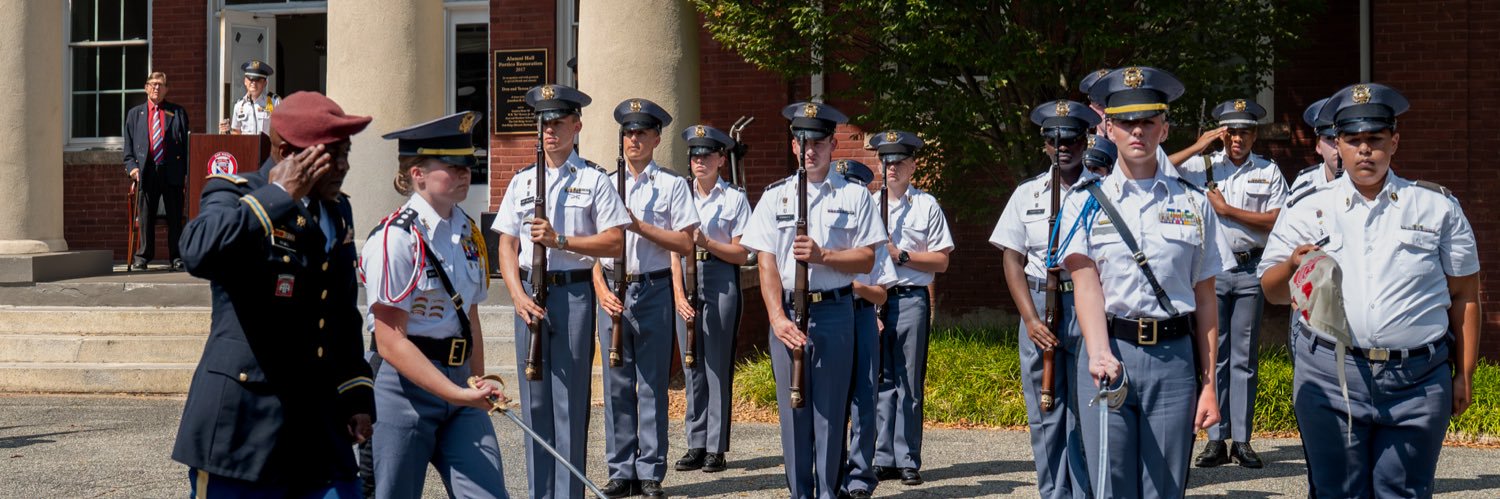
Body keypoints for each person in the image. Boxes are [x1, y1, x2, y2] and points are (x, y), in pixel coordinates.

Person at [1259, 83, 1480, 497]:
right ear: (1335, 144)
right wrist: (1291, 266)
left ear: (1394, 142)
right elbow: (1271, 291)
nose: (1365, 150)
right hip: (1330, 376)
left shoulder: (1436, 207)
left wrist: (1464, 375)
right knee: (1336, 491)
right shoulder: (1307, 206)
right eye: (1353, 139)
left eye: (1375, 139)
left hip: (1417, 380)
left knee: (1404, 492)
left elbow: (1465, 295)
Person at [172, 91, 373, 498]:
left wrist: (355, 393)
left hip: (317, 427)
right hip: (245, 425)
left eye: (346, 153)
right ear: (285, 152)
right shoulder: (233, 192)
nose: (344, 166)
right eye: (331, 155)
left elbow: (338, 311)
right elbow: (196, 251)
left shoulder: (337, 211)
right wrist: (278, 195)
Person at [1059, 66, 1231, 498]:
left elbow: (1206, 298)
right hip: (1109, 353)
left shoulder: (1194, 203)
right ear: (1108, 128)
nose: (1138, 130)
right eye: (1126, 122)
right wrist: (1098, 352)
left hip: (1174, 362)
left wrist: (1209, 384)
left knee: (1165, 487)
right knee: (1110, 486)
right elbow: (1085, 283)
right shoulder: (1085, 203)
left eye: (1148, 121)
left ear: (1164, 127)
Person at [361, 111, 510, 498]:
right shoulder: (395, 238)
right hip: (402, 389)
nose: (464, 172)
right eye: (452, 164)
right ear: (417, 173)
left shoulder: (469, 231)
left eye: (469, 163)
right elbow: (390, 341)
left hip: (460, 382)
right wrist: (457, 393)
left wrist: (475, 380)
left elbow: (471, 316)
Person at [490, 84, 629, 499]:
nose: (550, 131)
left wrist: (562, 240)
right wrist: (515, 295)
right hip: (529, 294)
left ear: (577, 126)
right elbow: (506, 245)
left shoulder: (593, 179)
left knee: (570, 404)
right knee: (534, 405)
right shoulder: (521, 181)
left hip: (572, 296)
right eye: (544, 124)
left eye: (558, 123)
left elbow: (615, 243)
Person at [739, 101, 883, 499]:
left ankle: (827, 492)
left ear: (833, 144)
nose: (810, 150)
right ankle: (800, 492)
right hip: (786, 313)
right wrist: (775, 317)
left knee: (831, 414)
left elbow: (868, 257)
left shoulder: (855, 197)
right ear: (793, 146)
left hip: (834, 310)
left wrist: (825, 257)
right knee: (793, 413)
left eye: (818, 142)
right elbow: (766, 263)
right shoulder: (775, 197)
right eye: (803, 142)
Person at [1171, 99, 1288, 469]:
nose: (1238, 139)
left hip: (1251, 270)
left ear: (1255, 135)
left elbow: (1277, 221)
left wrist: (1228, 211)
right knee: (1213, 357)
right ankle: (1215, 439)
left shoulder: (1268, 171)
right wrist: (1199, 144)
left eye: (1245, 132)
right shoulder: (1202, 166)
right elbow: (1156, 167)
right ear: (1223, 134)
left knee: (1244, 359)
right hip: (1211, 275)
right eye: (1231, 132)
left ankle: (1242, 440)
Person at [991, 99, 1100, 499]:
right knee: (1045, 408)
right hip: (1038, 305)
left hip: (1089, 307)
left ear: (1086, 141)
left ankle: (1087, 491)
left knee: (1089, 407)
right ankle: (1054, 492)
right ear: (1044, 145)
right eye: (1055, 141)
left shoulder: (1103, 191)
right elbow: (1012, 258)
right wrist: (1030, 318)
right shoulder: (1026, 194)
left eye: (1072, 139)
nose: (1064, 147)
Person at [592, 98, 699, 498]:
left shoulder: (672, 185)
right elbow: (593, 247)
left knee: (651, 383)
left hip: (652, 288)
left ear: (655, 138)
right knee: (616, 383)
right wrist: (600, 288)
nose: (632, 139)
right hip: (612, 288)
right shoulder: (604, 182)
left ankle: (651, 470)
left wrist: (638, 225)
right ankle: (621, 470)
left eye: (640, 133)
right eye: (627, 132)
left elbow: (685, 242)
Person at [865, 129, 954, 487]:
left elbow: (941, 261)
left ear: (913, 166)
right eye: (886, 161)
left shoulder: (926, 205)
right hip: (873, 300)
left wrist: (900, 254)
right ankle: (882, 456)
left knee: (909, 381)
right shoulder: (868, 203)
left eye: (899, 161)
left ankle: (907, 458)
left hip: (910, 299)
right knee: (880, 380)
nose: (892, 168)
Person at [671, 124, 752, 476]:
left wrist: (706, 242)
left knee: (717, 365)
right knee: (692, 363)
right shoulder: (679, 194)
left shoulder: (733, 198)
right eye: (694, 155)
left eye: (706, 155)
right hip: (684, 278)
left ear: (721, 158)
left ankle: (716, 446)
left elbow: (742, 253)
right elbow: (673, 250)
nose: (699, 161)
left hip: (720, 275)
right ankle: (696, 442)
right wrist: (676, 292)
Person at [836, 158, 898, 499]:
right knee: (831, 400)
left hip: (860, 316)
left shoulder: (873, 239)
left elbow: (882, 292)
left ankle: (860, 475)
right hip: (829, 316)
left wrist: (853, 287)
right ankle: (830, 471)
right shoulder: (827, 234)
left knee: (863, 398)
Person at [123, 71, 190, 271]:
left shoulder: (177, 112)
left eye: (161, 85)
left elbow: (186, 147)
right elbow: (128, 149)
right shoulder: (135, 114)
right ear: (146, 87)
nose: (156, 88)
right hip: (146, 170)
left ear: (166, 89)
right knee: (145, 216)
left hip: (172, 171)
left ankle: (177, 257)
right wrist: (132, 169)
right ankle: (142, 257)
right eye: (152, 84)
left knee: (175, 216)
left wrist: (186, 173)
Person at [1288, 97, 1341, 198]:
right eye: (1330, 138)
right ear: (1318, 146)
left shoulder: (1371, 184)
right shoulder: (1304, 185)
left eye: (1344, 138)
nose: (1337, 145)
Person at [220, 60, 282, 136]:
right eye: (250, 79)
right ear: (245, 81)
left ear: (265, 83)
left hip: (266, 147)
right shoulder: (239, 105)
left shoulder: (274, 102)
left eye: (258, 80)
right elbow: (237, 132)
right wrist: (227, 131)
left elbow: (282, 129)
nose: (253, 83)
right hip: (246, 147)